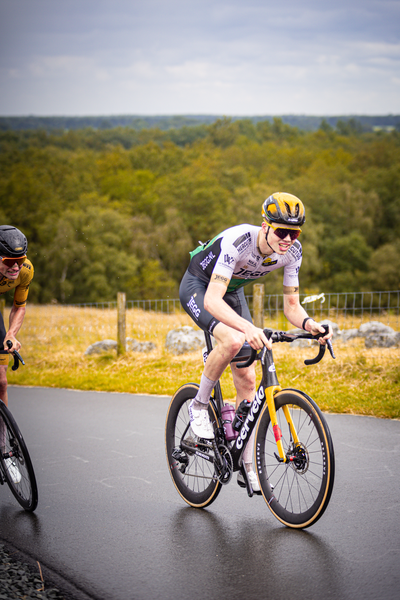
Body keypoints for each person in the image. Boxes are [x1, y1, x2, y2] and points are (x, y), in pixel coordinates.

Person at [179, 192, 332, 492]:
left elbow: (291, 306)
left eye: (294, 233)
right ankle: (198, 406)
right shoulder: (239, 242)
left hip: (231, 290)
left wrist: (310, 324)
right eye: (281, 231)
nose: (287, 239)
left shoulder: (293, 253)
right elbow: (211, 299)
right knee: (234, 340)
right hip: (199, 285)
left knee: (248, 379)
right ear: (265, 226)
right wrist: (247, 328)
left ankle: (246, 464)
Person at [0, 225, 33, 484]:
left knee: (1, 382)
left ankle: (5, 451)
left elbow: (18, 306)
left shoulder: (25, 271)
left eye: (19, 261)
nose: (15, 267)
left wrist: (11, 334)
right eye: (10, 261)